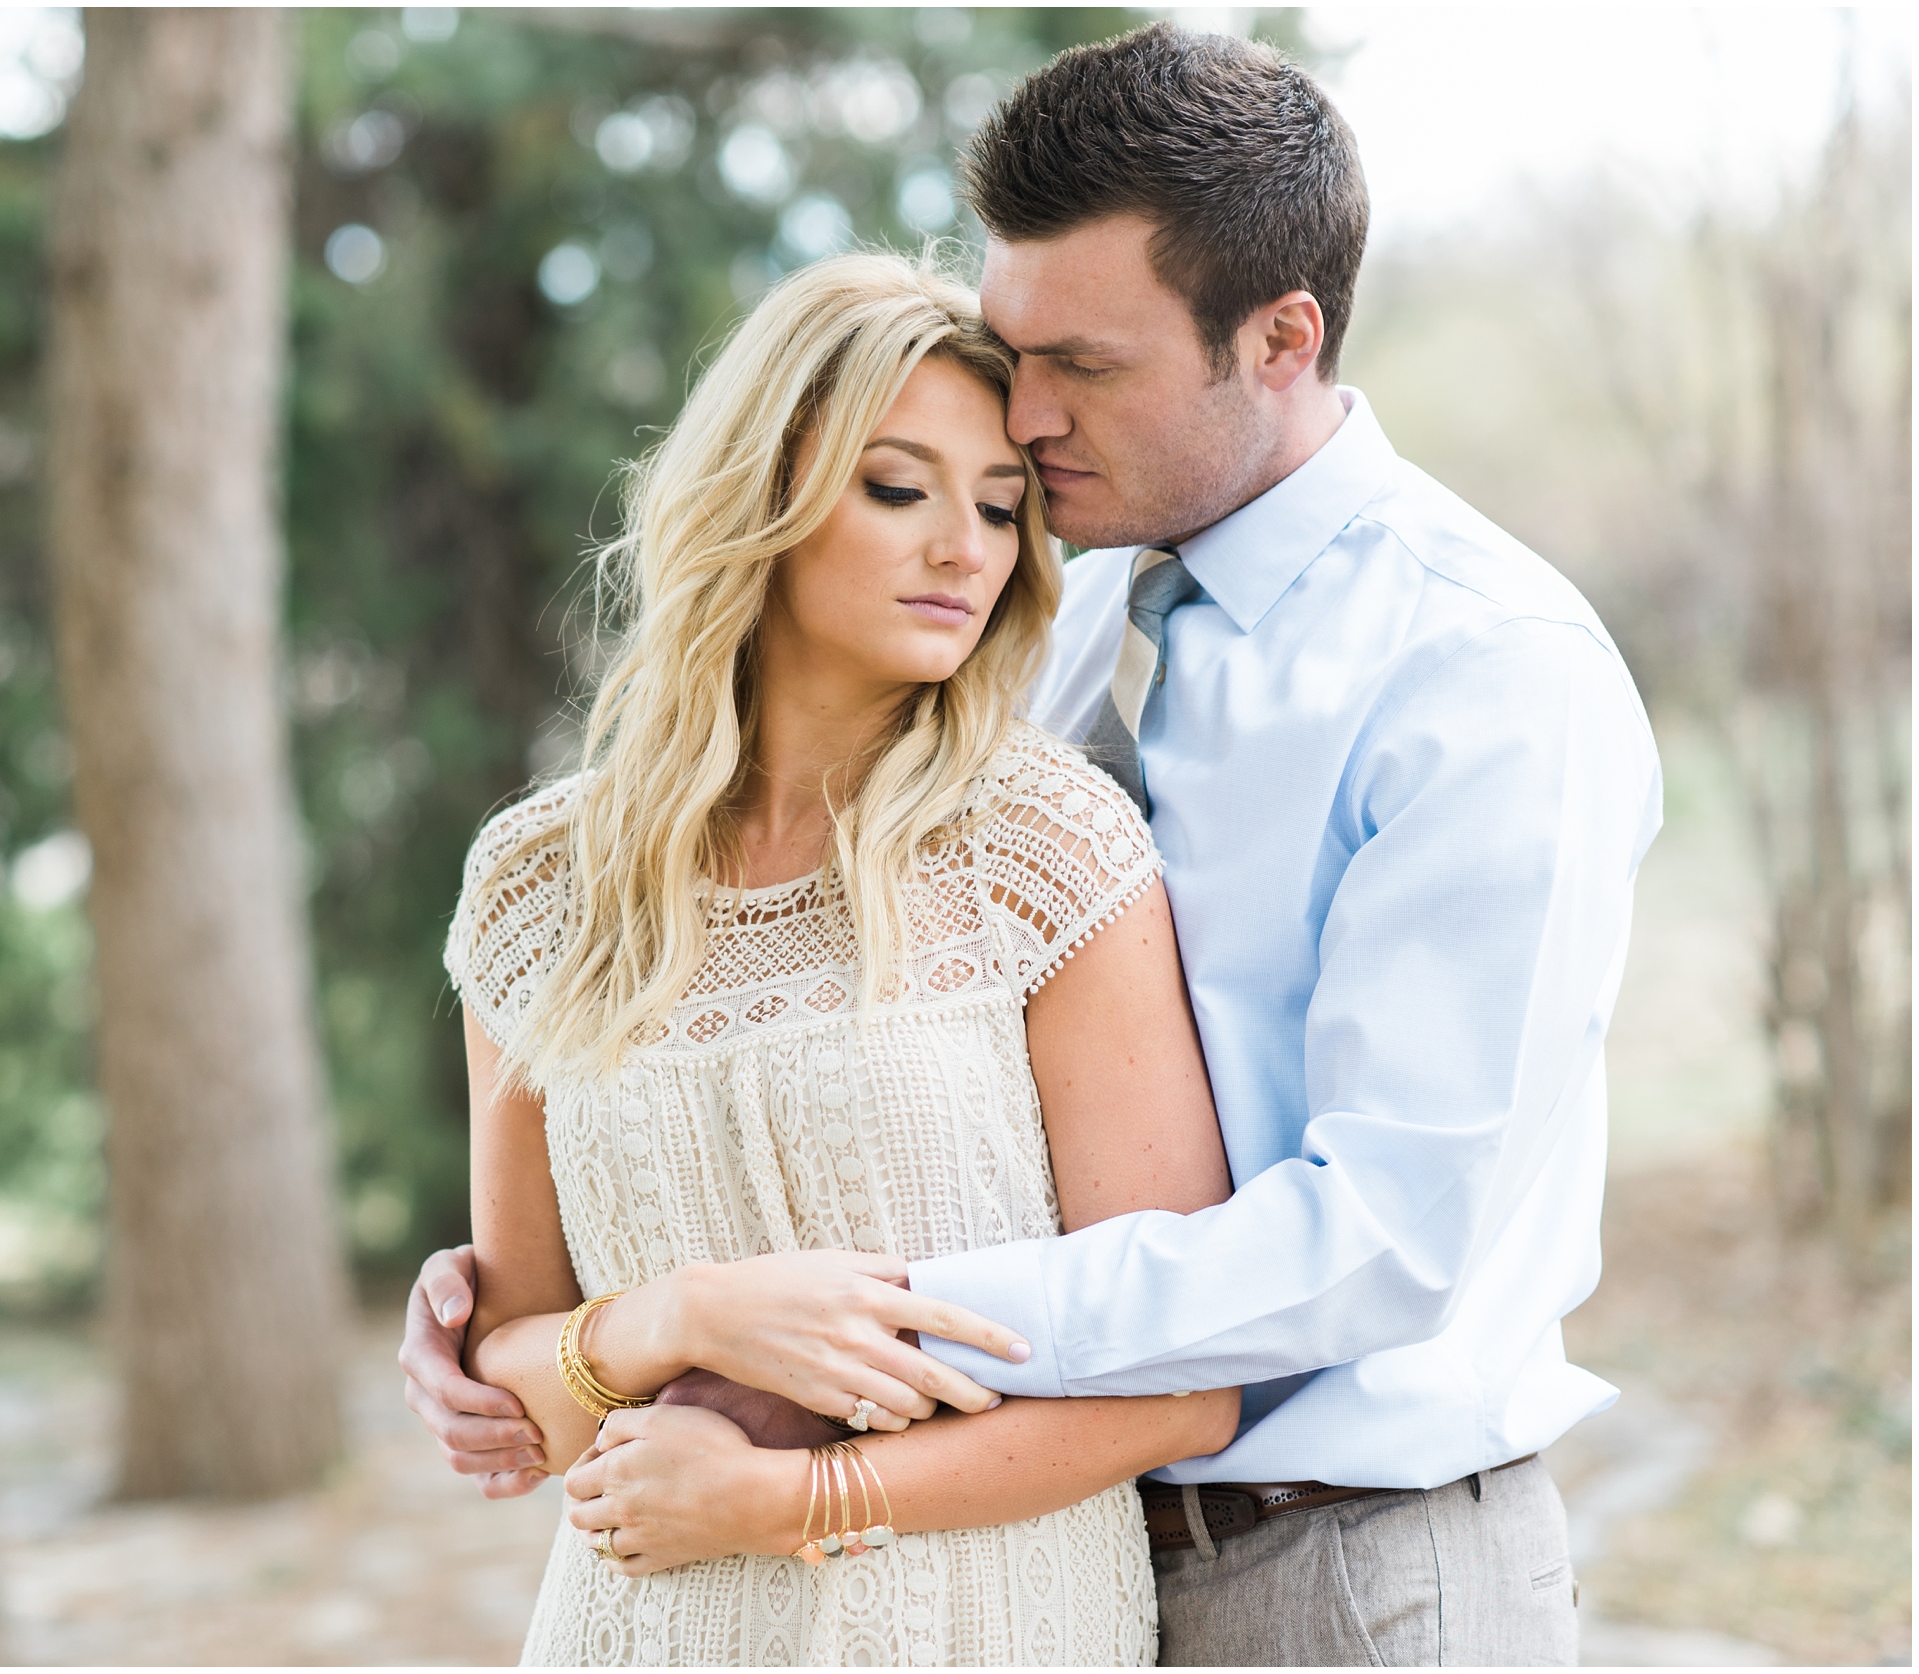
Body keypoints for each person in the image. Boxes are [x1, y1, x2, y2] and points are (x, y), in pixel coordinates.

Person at [405, 24, 1662, 1668]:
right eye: (1017, 352)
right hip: (1042, 1549)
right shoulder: (1052, 611)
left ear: (1279, 339)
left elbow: (1393, 1238)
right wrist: (577, 1315)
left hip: (1352, 1561)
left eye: (1086, 364)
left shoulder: (1484, 672)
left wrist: (846, 1327)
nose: (1031, 416)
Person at [441, 249, 1243, 1666]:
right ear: (765, 494)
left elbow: (1179, 1390)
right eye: (898, 488)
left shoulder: (1047, 845)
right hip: (641, 1630)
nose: (966, 550)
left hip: (986, 1630)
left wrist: (798, 1499)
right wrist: (680, 1314)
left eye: (1003, 508)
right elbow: (515, 1387)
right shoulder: (535, 887)